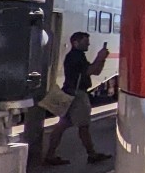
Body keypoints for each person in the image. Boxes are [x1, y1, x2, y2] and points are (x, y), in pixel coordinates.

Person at [43, 33, 111, 166]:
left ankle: (50, 155)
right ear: (76, 42)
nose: (88, 44)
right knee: (83, 126)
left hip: (71, 93)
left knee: (62, 126)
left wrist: (102, 59)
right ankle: (91, 154)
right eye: (85, 42)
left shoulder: (78, 56)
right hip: (77, 95)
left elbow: (96, 71)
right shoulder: (75, 57)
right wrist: (99, 57)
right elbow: (89, 71)